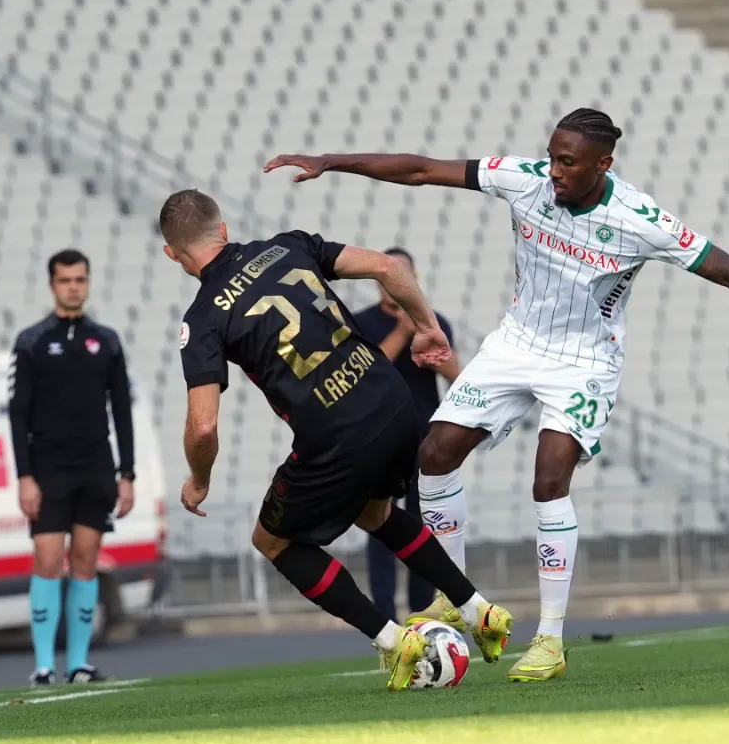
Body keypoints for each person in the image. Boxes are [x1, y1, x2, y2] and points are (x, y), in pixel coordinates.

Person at [264, 107, 729, 682]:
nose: (554, 171)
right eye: (551, 157)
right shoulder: (526, 182)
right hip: (515, 342)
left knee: (549, 479)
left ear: (603, 164)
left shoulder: (639, 218)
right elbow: (423, 170)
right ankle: (454, 597)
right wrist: (331, 162)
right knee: (433, 454)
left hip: (584, 361)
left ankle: (549, 639)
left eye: (568, 162)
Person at [157, 189, 513, 692]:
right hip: (393, 404)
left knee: (272, 539)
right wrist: (428, 327)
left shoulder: (203, 319)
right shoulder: (289, 245)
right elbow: (389, 268)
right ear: (224, 230)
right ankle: (480, 611)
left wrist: (198, 479)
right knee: (376, 514)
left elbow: (203, 426)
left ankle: (395, 643)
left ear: (172, 253)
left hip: (336, 434)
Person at [8, 249, 136, 687]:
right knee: (47, 561)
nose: (74, 286)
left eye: (80, 279)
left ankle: (79, 664)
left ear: (88, 281)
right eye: (65, 280)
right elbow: (17, 414)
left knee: (85, 559)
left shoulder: (108, 340)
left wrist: (128, 474)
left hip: (96, 465)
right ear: (52, 285)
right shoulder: (31, 342)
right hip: (48, 467)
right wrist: (25, 476)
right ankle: (44, 666)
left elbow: (122, 411)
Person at [353, 247, 461, 626]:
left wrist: (426, 335)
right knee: (380, 524)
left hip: (423, 440)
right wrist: (402, 329)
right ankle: (384, 618)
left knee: (422, 527)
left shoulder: (433, 321)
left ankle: (421, 615)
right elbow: (365, 372)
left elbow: (456, 373)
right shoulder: (360, 323)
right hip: (376, 439)